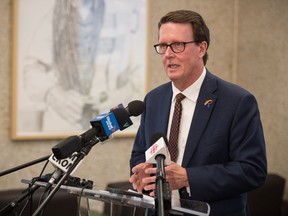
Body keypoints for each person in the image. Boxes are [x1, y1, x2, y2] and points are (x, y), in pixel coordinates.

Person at [129, 10, 267, 216]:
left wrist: (188, 178)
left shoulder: (237, 102)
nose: (168, 54)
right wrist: (142, 173)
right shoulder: (153, 99)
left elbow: (252, 170)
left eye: (178, 45)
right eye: (163, 46)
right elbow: (139, 154)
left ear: (202, 48)